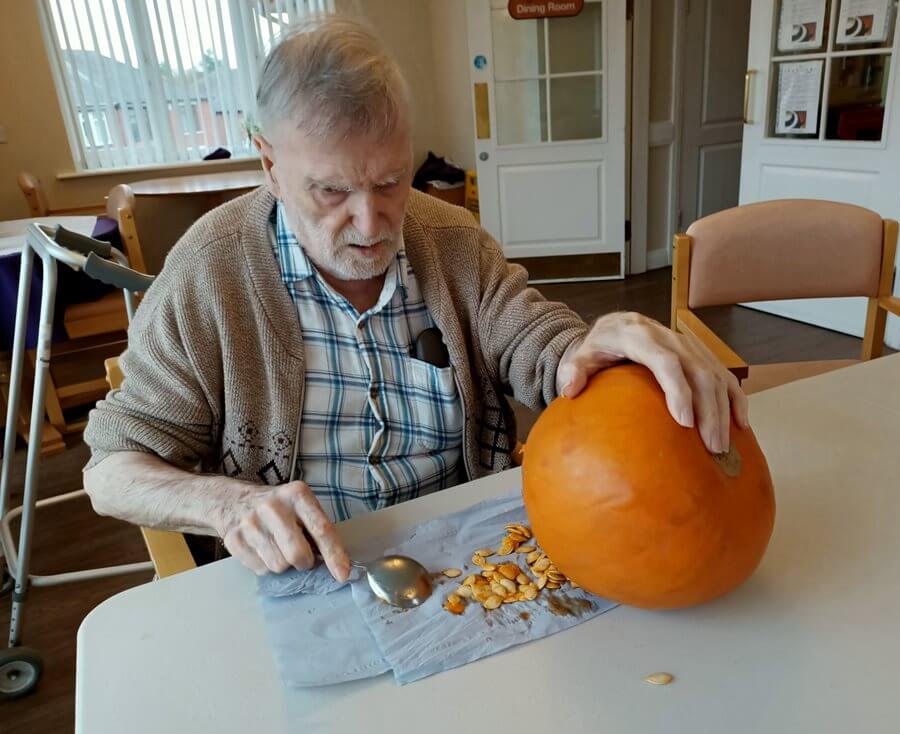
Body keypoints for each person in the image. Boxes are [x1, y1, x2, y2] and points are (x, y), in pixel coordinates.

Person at [83, 17, 747, 583]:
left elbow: (533, 340)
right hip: (302, 572)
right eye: (332, 193)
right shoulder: (210, 269)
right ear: (269, 163)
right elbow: (110, 469)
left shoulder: (453, 241)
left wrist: (591, 346)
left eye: (392, 182)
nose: (372, 226)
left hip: (465, 558)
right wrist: (227, 508)